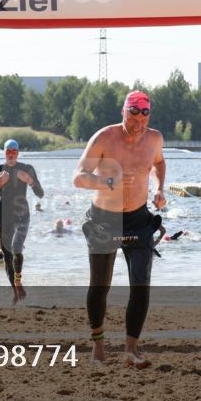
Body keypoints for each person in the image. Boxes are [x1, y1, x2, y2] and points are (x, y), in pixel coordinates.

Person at [73, 90, 166, 368]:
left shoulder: (154, 139)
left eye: (144, 113)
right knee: (100, 286)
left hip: (138, 219)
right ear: (123, 112)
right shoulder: (104, 137)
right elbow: (78, 178)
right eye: (133, 112)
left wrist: (160, 188)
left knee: (141, 285)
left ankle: (131, 349)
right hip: (104, 218)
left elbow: (159, 162)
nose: (138, 119)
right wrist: (106, 183)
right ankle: (98, 346)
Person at [0, 139, 44, 302]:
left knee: (17, 248)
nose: (11, 154)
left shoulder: (27, 169)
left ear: (18, 153)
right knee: (7, 254)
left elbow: (40, 194)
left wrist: (30, 181)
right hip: (4, 215)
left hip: (22, 213)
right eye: (8, 151)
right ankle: (16, 290)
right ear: (4, 152)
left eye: (14, 151)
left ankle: (17, 280)